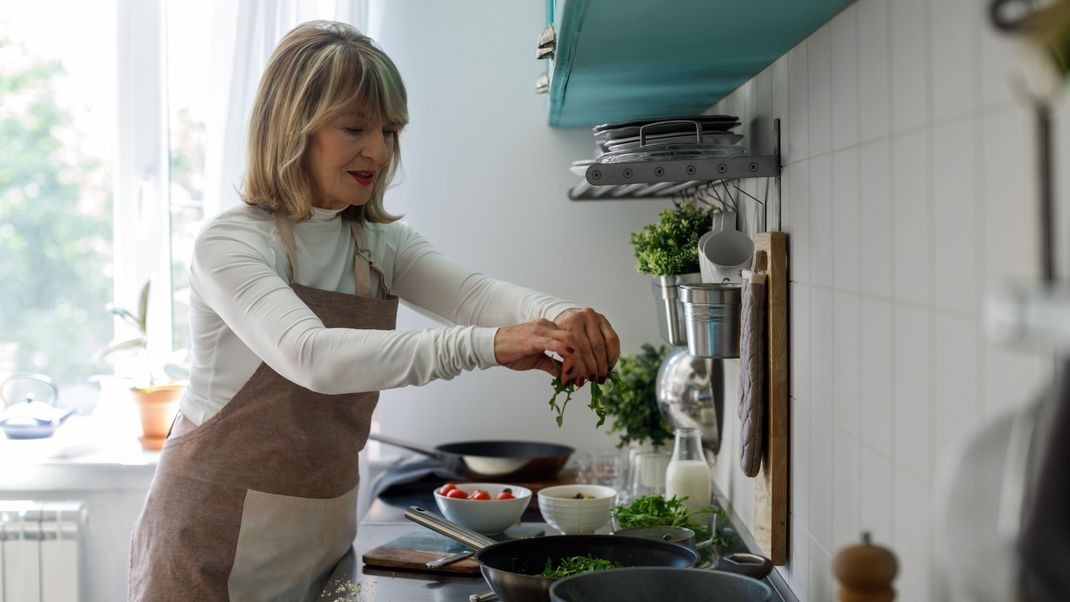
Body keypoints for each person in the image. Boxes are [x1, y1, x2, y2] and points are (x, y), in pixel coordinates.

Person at [128, 20, 619, 601]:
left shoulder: (376, 244)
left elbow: (476, 295)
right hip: (209, 538)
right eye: (355, 127)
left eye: (389, 131)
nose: (379, 151)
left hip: (324, 528)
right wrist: (487, 345)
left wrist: (564, 316)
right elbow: (312, 356)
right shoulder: (230, 243)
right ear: (294, 128)